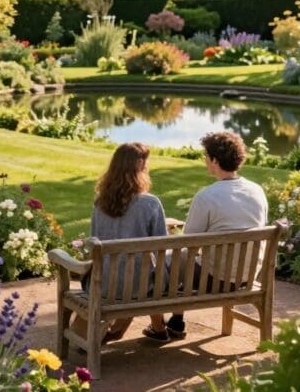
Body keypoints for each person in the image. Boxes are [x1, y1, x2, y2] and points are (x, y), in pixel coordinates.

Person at [143, 131, 268, 340]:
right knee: (186, 257)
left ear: (215, 160)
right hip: (247, 277)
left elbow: (188, 241)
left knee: (176, 257)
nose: (204, 160)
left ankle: (173, 321)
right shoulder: (257, 191)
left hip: (215, 280)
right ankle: (175, 322)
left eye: (206, 156)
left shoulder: (207, 196)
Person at [74, 142, 171, 344]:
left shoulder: (100, 201)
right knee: (149, 274)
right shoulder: (150, 203)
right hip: (139, 286)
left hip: (102, 284)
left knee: (134, 273)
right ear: (140, 166)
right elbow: (162, 246)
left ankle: (143, 329)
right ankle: (152, 328)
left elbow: (94, 242)